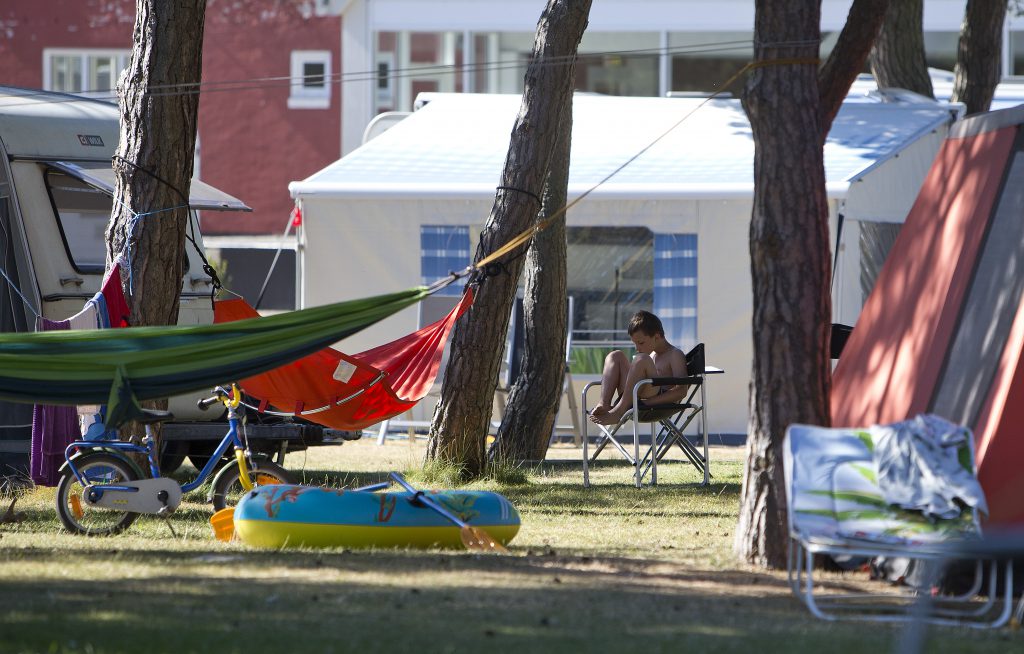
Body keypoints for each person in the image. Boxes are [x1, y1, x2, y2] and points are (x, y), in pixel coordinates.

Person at [588, 310, 688, 426]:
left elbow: (681, 391)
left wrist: (647, 403)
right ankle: (604, 404)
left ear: (657, 336)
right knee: (615, 355)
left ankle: (618, 411)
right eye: (635, 343)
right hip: (635, 396)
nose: (637, 348)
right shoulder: (652, 355)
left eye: (640, 343)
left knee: (642, 359)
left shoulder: (674, 354)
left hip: (657, 404)